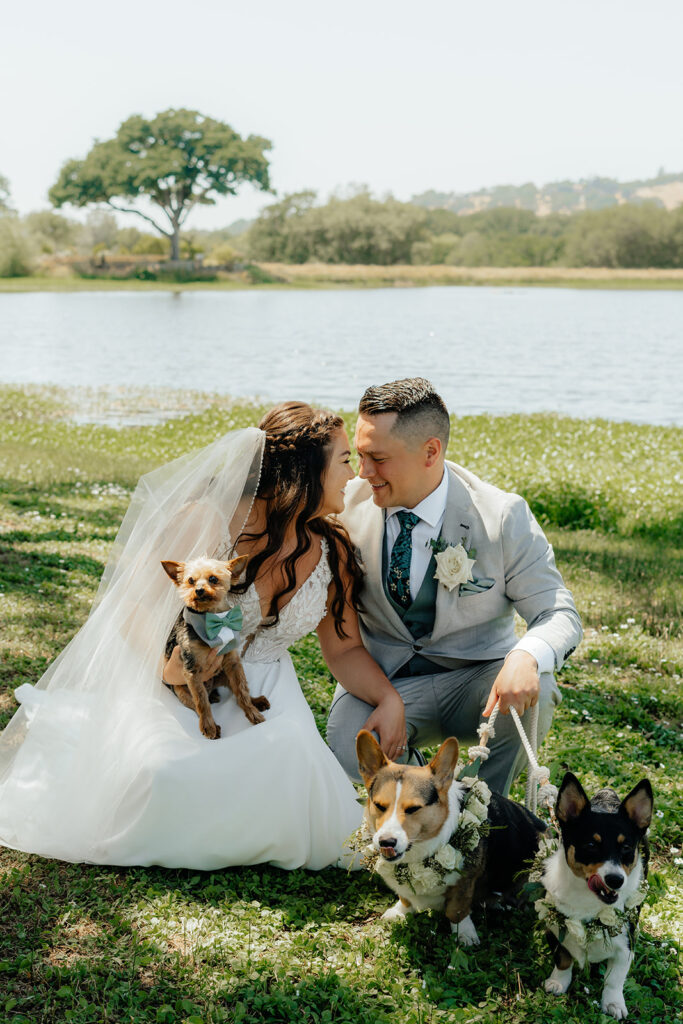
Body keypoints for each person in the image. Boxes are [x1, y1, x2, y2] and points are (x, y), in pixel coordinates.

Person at [0, 402, 394, 870]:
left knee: (288, 761)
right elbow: (132, 607)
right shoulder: (208, 520)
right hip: (179, 681)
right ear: (302, 474)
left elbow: (345, 649)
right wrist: (168, 669)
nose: (355, 475)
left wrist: (389, 700)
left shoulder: (332, 549)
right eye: (346, 460)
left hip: (266, 690)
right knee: (163, 774)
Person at [327, 378, 583, 795]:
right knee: (344, 739)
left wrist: (526, 655)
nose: (363, 472)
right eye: (359, 456)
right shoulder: (345, 509)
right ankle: (423, 808)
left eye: (377, 458)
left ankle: (484, 811)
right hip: (384, 681)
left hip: (477, 684)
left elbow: (559, 612)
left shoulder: (501, 515)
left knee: (542, 687)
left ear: (431, 452)